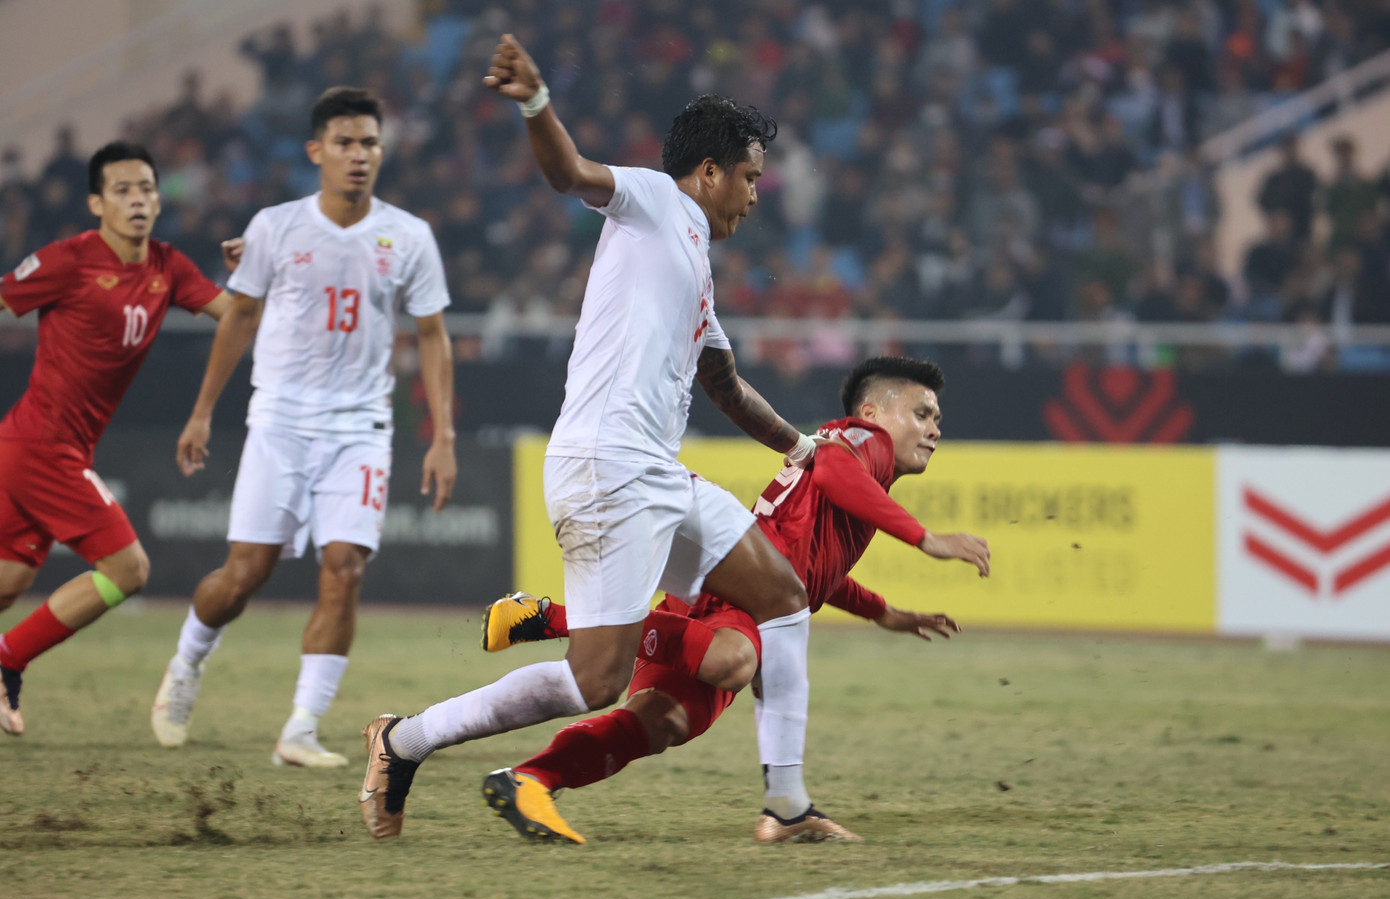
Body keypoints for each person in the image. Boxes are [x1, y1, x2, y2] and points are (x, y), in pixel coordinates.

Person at [358, 35, 821, 839]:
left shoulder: (697, 267)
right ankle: (404, 741)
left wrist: (798, 443)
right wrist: (537, 101)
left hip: (655, 474)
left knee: (782, 598)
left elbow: (725, 385)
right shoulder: (652, 200)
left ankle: (787, 805)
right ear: (708, 172)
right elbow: (569, 172)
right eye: (749, 176)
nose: (755, 193)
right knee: (596, 680)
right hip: (606, 467)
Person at [477, 356, 989, 844]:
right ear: (873, 412)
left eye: (938, 419)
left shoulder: (868, 479)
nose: (934, 429)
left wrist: (883, 612)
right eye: (921, 414)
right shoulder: (864, 440)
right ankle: (548, 617)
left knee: (664, 723)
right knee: (733, 660)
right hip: (736, 598)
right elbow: (832, 469)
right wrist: (926, 539)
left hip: (731, 610)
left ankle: (530, 779)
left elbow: (815, 571)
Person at [149, 87, 455, 768]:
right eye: (344, 143)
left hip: (362, 428)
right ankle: (187, 664)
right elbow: (239, 318)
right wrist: (202, 411)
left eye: (369, 143)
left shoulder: (408, 236)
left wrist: (443, 436)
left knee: (344, 568)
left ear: (383, 151)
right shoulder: (274, 227)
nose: (358, 155)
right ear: (316, 151)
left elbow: (433, 335)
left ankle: (300, 728)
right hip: (281, 423)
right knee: (243, 575)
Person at [0, 141, 242, 735]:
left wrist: (257, 276)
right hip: (40, 447)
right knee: (129, 569)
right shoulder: (66, 260)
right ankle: (7, 661)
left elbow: (238, 316)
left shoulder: (167, 266)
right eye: (122, 190)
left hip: (48, 450)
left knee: (8, 585)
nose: (137, 200)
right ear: (96, 203)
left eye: (146, 189)